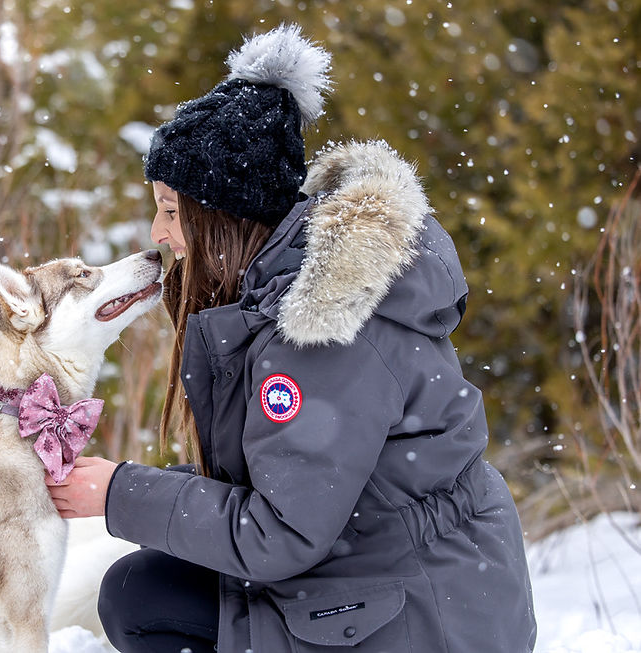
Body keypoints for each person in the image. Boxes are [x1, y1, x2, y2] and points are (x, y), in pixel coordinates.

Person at [46, 23, 536, 653]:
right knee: (144, 590)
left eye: (171, 210)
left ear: (222, 215)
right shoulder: (284, 291)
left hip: (424, 617)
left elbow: (278, 534)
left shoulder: (324, 331)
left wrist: (119, 492)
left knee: (144, 600)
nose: (158, 233)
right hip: (391, 576)